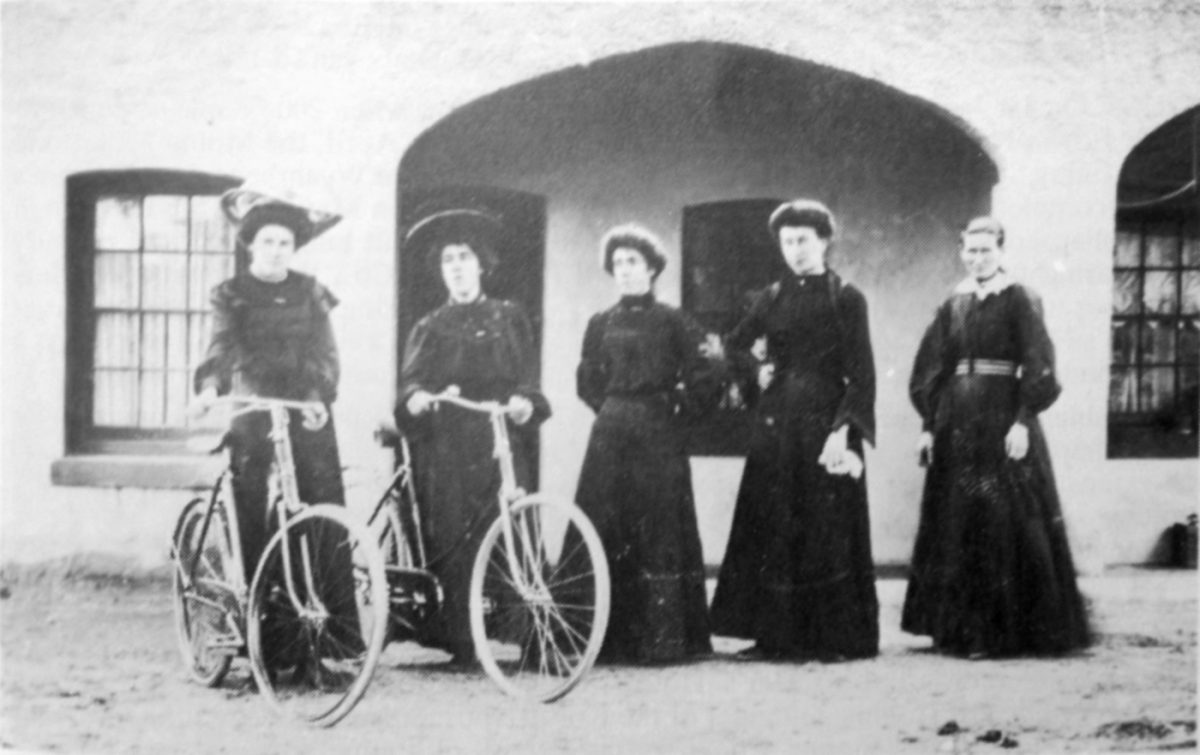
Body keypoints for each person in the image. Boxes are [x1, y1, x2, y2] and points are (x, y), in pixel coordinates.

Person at [901, 216, 1090, 658]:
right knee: (958, 520)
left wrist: (1023, 420)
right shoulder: (954, 303)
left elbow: (1040, 362)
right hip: (957, 423)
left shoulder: (1020, 298)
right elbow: (930, 367)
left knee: (1001, 522)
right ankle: (958, 631)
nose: (977, 258)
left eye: (986, 250)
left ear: (1001, 251)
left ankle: (1003, 633)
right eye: (970, 250)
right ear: (961, 251)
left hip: (1004, 421)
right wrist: (929, 426)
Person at [192, 183, 360, 663]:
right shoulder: (232, 295)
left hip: (306, 413)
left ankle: (332, 641)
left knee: (323, 512)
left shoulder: (309, 292)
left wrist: (315, 397)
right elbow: (222, 348)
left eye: (285, 242)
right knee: (254, 511)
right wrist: (210, 390)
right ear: (251, 245)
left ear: (294, 247)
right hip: (253, 411)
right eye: (267, 241)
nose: (276, 250)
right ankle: (263, 639)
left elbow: (325, 354)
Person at [709, 199, 879, 661]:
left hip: (826, 420)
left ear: (824, 241)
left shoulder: (845, 297)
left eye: (803, 240)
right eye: (787, 242)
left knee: (825, 524)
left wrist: (843, 430)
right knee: (775, 521)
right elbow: (734, 345)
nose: (795, 250)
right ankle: (773, 636)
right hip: (778, 420)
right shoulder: (771, 297)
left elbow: (862, 374)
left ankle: (834, 638)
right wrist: (754, 372)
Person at [396, 209, 550, 666]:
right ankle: (462, 640)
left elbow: (528, 378)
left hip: (500, 438)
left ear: (482, 264)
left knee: (512, 528)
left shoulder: (510, 318)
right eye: (448, 260)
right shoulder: (430, 326)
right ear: (441, 271)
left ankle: (529, 633)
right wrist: (418, 397)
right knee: (458, 538)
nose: (457, 266)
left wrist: (525, 401)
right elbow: (410, 384)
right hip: (449, 445)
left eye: (464, 257)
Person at [573, 224, 719, 664]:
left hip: (658, 435)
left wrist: (677, 409)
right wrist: (614, 408)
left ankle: (662, 641)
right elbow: (586, 380)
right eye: (617, 264)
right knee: (604, 524)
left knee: (658, 528)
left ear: (652, 268)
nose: (624, 271)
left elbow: (706, 376)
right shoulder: (600, 322)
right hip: (611, 433)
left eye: (633, 262)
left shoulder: (673, 320)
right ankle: (605, 640)